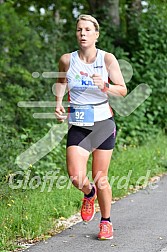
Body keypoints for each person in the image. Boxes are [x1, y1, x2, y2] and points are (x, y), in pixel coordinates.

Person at [55, 14, 127, 240]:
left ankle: (106, 221)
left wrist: (105, 85)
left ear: (96, 34)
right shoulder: (68, 60)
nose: (83, 34)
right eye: (79, 30)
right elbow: (61, 83)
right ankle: (89, 193)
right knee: (76, 177)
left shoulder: (107, 59)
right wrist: (58, 104)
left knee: (100, 176)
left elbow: (123, 90)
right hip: (78, 123)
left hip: (103, 123)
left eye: (87, 29)